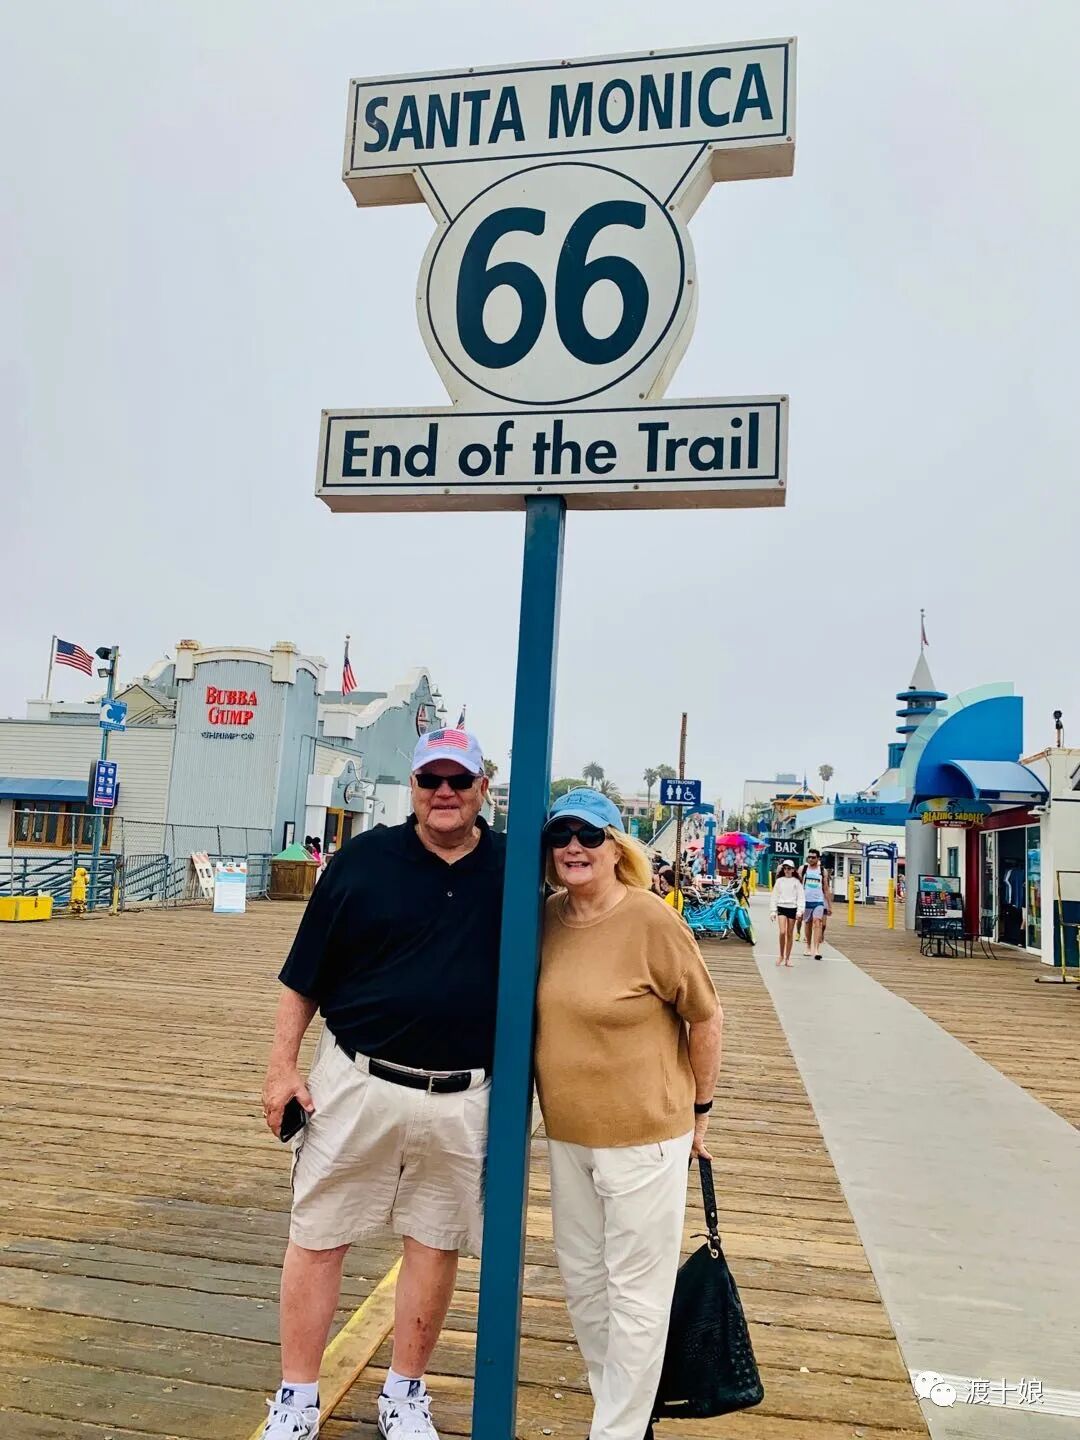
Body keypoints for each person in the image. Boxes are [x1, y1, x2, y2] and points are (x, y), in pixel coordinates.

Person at [259, 728, 504, 1440]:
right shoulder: (363, 860)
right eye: (430, 780)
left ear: (482, 787)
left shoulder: (515, 867)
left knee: (435, 1240)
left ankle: (405, 1391)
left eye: (458, 780)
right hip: (357, 1078)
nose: (444, 793)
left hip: (465, 1094)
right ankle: (297, 1399)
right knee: (318, 1233)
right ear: (414, 787)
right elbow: (302, 976)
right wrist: (281, 1068)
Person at [535, 788, 723, 1440]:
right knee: (585, 1285)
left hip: (646, 1136)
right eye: (561, 836)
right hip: (568, 1135)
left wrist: (701, 1110)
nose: (574, 847)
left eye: (590, 835)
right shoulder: (547, 919)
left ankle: (615, 1430)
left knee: (637, 1294)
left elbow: (706, 1017)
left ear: (617, 848)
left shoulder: (650, 919)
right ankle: (624, 1413)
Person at [769, 858, 804, 966]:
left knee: (789, 933)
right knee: (782, 932)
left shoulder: (797, 882)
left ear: (793, 869)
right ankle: (781, 955)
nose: (787, 870)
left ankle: (787, 958)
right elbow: (774, 896)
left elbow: (801, 897)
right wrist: (773, 911)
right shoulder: (779, 881)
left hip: (792, 908)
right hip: (781, 907)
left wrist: (799, 911)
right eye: (785, 868)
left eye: (789, 868)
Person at [799, 849, 832, 959]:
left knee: (817, 922)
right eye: (809, 857)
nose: (811, 859)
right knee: (808, 923)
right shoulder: (803, 869)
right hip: (806, 900)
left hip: (818, 901)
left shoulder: (822, 871)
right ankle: (808, 946)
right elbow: (797, 885)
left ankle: (816, 949)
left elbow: (826, 888)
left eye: (813, 857)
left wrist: (829, 905)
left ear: (818, 858)